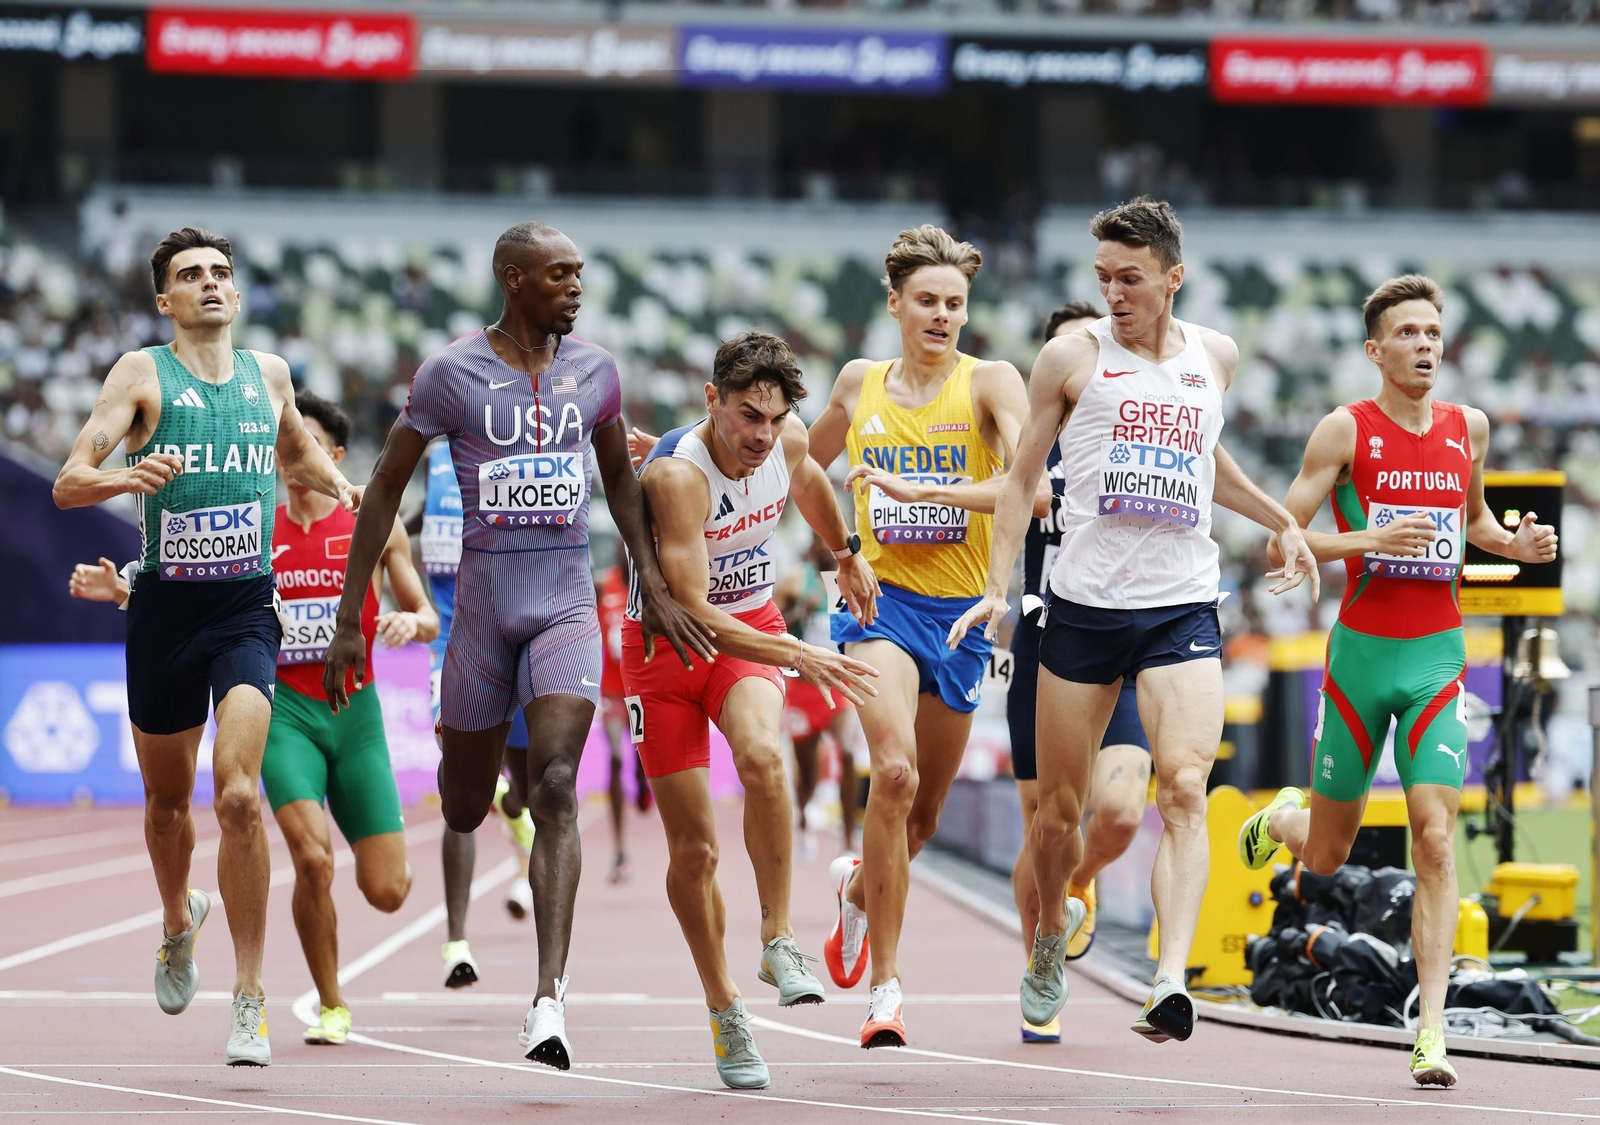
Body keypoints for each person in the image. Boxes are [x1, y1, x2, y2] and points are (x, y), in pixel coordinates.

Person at [321, 222, 714, 1072]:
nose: (576, 287)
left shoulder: (598, 371)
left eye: (580, 274)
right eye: (559, 274)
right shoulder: (450, 374)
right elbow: (384, 488)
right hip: (482, 611)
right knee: (466, 805)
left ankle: (548, 1002)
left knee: (560, 785)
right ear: (513, 278)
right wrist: (351, 617)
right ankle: (492, 762)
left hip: (566, 598)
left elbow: (619, 480)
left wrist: (649, 582)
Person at [948, 197, 1317, 1046]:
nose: (1114, 292)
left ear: (1173, 278)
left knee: (1185, 787)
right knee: (1057, 815)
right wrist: (1001, 586)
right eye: (1103, 278)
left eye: (1131, 279)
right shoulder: (1069, 359)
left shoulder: (1213, 357)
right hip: (1080, 607)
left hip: (1181, 603)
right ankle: (1048, 939)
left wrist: (1279, 518)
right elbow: (1018, 480)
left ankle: (1167, 979)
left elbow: (1207, 462)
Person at [1236, 274, 1558, 1087]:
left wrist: (1511, 547)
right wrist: (1370, 533)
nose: (1425, 345)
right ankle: (1283, 819)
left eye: (1434, 332)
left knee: (1436, 833)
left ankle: (1433, 1028)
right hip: (1359, 659)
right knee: (1330, 857)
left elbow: (1474, 521)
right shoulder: (1345, 429)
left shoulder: (1469, 428)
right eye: (1408, 333)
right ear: (1376, 349)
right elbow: (1284, 538)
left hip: (1436, 657)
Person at [53, 227, 359, 1066]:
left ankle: (251, 994)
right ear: (166, 299)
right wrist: (127, 475)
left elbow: (293, 441)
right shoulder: (142, 374)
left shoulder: (269, 374)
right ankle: (175, 919)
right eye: (191, 276)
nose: (211, 284)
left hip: (243, 609)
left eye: (222, 272)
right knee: (164, 807)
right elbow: (69, 478)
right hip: (161, 613)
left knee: (235, 795)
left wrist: (342, 487)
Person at [71, 391, 432, 1048]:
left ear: (336, 456)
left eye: (309, 444)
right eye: (285, 446)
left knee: (389, 888)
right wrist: (126, 589)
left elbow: (428, 612)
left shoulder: (370, 524)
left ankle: (282, 957)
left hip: (357, 716)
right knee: (312, 856)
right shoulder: (260, 527)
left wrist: (413, 620)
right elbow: (200, 591)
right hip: (284, 709)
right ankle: (326, 1000)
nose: (293, 458)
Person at [626, 330, 879, 1088]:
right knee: (694, 854)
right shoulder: (678, 478)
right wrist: (800, 652)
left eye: (772, 419)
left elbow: (809, 482)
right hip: (669, 650)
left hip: (752, 630)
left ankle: (779, 936)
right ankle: (724, 1006)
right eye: (746, 418)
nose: (761, 437)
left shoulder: (786, 439)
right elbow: (695, 611)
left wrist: (846, 550)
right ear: (711, 400)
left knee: (765, 755)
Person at [805, 225, 1037, 1049]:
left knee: (923, 819)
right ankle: (887, 991)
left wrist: (919, 485)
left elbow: (1027, 486)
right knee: (893, 771)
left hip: (964, 619)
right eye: (928, 301)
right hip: (880, 606)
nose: (942, 315)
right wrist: (690, 456)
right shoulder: (858, 383)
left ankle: (858, 891)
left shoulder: (991, 383)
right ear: (895, 301)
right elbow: (795, 460)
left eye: (956, 304)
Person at [1008, 302, 1153, 1045]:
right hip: (1046, 648)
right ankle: (1044, 962)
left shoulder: (1137, 424)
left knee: (1123, 812)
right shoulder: (1030, 438)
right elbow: (1002, 496)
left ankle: (1079, 885)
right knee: (1045, 829)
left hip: (1129, 642)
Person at [407, 438, 537, 991]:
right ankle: (456, 941)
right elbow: (418, 519)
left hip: (516, 633)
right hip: (450, 643)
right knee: (459, 783)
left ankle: (517, 807)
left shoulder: (518, 449)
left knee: (525, 790)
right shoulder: (436, 456)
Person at [775, 534, 868, 859]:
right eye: (819, 542)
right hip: (803, 688)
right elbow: (770, 628)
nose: (826, 549)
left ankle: (846, 839)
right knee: (808, 769)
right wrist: (801, 611)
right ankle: (802, 820)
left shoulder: (855, 577)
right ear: (811, 547)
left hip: (838, 683)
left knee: (846, 753)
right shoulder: (796, 580)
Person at [595, 545, 645, 883]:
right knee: (614, 758)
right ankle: (619, 851)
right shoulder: (604, 586)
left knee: (642, 758)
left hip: (641, 692)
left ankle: (642, 781)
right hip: (612, 692)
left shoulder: (651, 586)